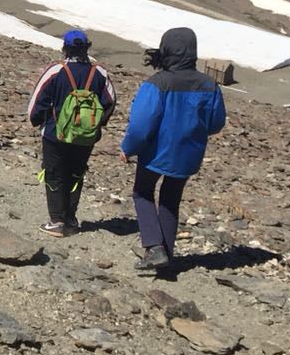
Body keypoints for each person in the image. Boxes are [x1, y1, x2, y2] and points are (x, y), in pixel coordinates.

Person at [119, 27, 226, 274]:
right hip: (188, 154)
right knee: (170, 200)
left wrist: (129, 148)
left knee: (142, 193)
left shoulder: (158, 83)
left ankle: (154, 247)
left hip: (156, 152)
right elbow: (216, 122)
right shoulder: (209, 85)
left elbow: (141, 125)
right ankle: (166, 259)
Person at [27, 29, 117, 237]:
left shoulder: (56, 71)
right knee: (76, 173)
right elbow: (110, 101)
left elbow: (37, 101)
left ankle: (56, 220)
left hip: (55, 133)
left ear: (65, 48)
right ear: (86, 48)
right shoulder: (99, 73)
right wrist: (97, 124)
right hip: (85, 135)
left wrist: (37, 120)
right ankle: (71, 219)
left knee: (54, 173)